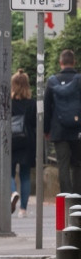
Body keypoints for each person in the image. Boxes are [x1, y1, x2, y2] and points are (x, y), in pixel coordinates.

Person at [45, 49, 81, 195]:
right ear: (74, 62)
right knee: (78, 165)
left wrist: (47, 130)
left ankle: (66, 199)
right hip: (78, 129)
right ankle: (78, 199)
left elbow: (47, 106)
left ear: (60, 63)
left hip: (59, 131)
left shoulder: (53, 82)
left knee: (63, 165)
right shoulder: (79, 80)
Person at [10, 69, 36, 218]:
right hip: (28, 141)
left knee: (9, 173)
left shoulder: (9, 103)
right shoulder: (32, 104)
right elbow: (34, 124)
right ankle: (23, 210)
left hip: (12, 141)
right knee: (25, 175)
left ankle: (13, 192)